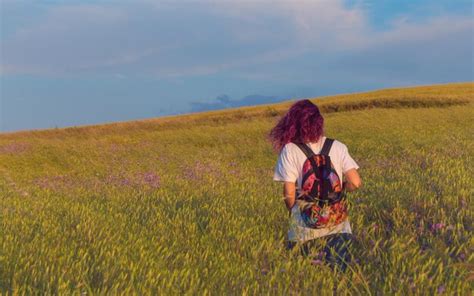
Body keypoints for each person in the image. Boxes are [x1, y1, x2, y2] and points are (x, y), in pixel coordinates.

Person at [268, 99, 362, 272]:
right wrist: (339, 191)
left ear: (293, 123)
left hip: (304, 231)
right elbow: (356, 182)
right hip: (338, 226)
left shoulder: (290, 149)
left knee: (307, 280)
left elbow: (289, 192)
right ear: (319, 122)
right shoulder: (338, 146)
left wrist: (295, 212)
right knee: (339, 278)